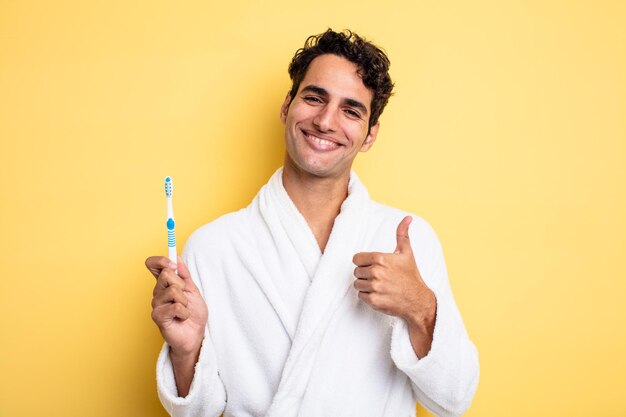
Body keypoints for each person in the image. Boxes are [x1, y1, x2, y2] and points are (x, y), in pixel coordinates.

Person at [145, 29, 479, 417]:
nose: (325, 121)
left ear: (370, 135)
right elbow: (197, 412)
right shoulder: (214, 246)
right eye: (314, 98)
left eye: (351, 110)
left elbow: (453, 400)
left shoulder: (406, 239)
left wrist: (420, 308)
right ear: (287, 106)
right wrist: (187, 350)